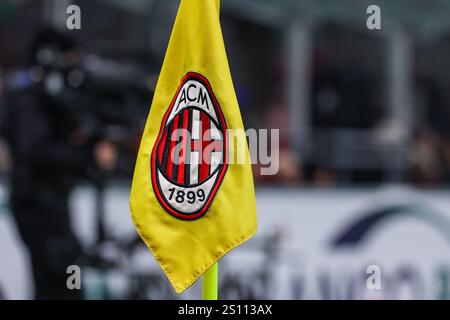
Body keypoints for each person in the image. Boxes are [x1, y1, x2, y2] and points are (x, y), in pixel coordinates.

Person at [1, 28, 117, 299]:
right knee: (60, 285)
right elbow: (36, 152)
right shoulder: (30, 97)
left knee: (60, 283)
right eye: (69, 58)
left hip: (48, 203)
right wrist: (87, 155)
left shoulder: (40, 96)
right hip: (39, 206)